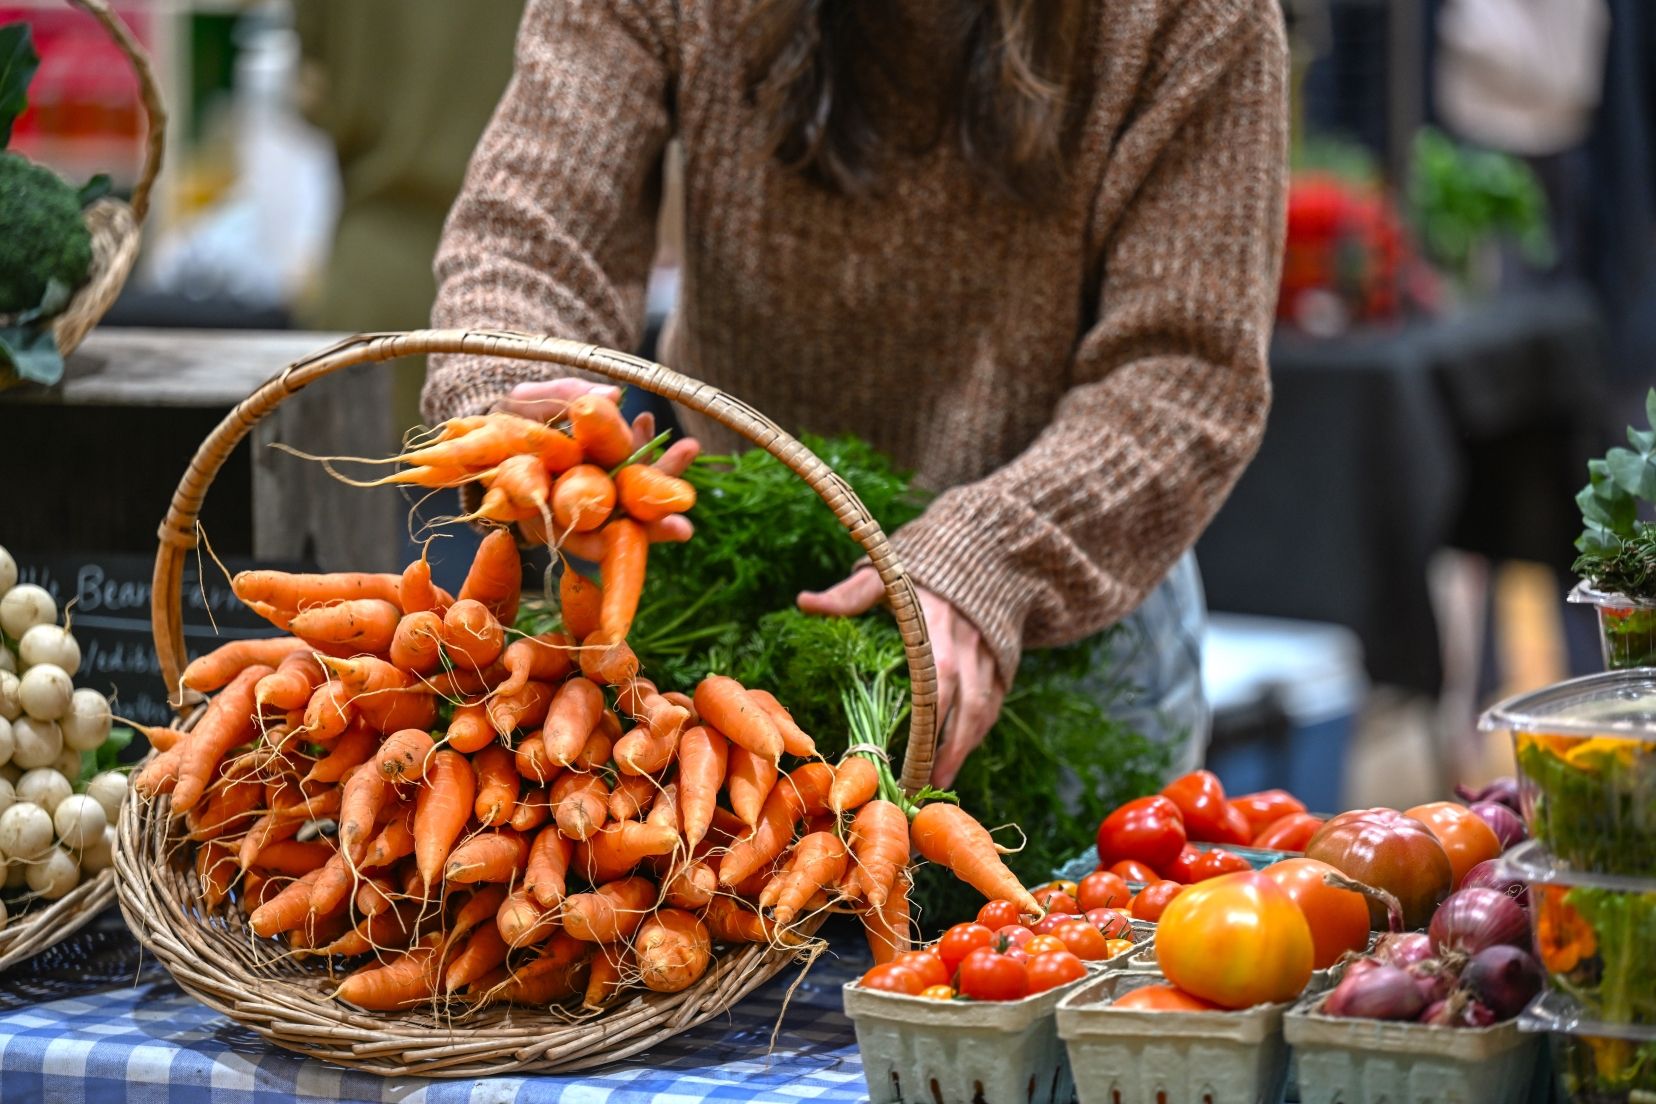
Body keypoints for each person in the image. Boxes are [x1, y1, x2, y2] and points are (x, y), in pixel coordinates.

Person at [422, 0, 1290, 787]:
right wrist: (509, 400)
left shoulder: (1192, 19)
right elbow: (531, 235)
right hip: (740, 604)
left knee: (1075, 953)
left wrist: (992, 552)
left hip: (1058, 613)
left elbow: (1185, 372)